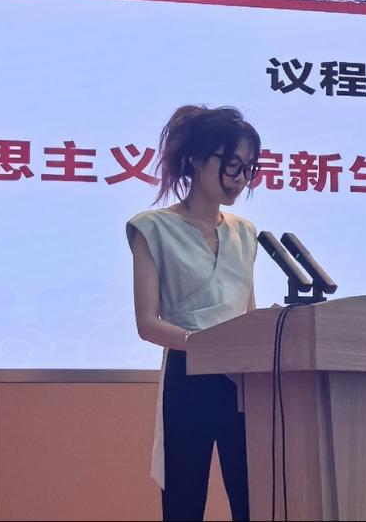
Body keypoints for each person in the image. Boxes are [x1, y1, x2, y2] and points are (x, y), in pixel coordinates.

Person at [126, 105, 261, 522]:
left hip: (242, 382)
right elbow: (148, 323)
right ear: (196, 160)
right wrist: (205, 346)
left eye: (249, 169)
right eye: (232, 165)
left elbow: (249, 314)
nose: (240, 178)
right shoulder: (152, 227)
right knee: (183, 504)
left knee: (254, 501)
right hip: (188, 377)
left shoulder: (245, 232)